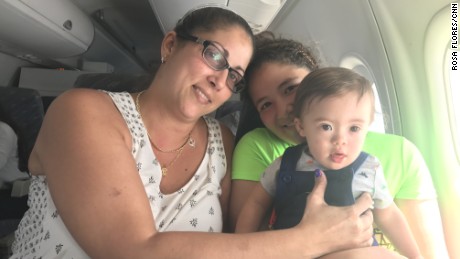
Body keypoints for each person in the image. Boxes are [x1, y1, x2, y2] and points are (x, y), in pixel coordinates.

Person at [8, 6, 397, 259]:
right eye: (214, 55)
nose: (220, 80)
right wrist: (311, 239)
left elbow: (233, 243)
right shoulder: (84, 111)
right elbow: (129, 251)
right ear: (171, 44)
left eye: (235, 77)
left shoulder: (222, 144)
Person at [230, 32, 449, 259]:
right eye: (266, 104)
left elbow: (391, 217)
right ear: (301, 126)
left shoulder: (375, 165)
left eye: (290, 88)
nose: (285, 108)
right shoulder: (276, 160)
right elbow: (253, 213)